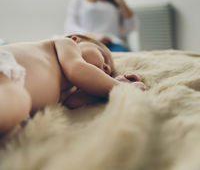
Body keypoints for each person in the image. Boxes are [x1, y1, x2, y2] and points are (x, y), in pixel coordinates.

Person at [0, 34, 147, 138]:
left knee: (14, 130)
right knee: (17, 98)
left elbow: (73, 102)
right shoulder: (66, 44)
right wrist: (121, 87)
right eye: (103, 56)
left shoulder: (69, 87)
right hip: (6, 70)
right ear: (77, 40)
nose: (107, 69)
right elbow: (77, 69)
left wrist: (119, 80)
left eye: (109, 71)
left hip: (16, 99)